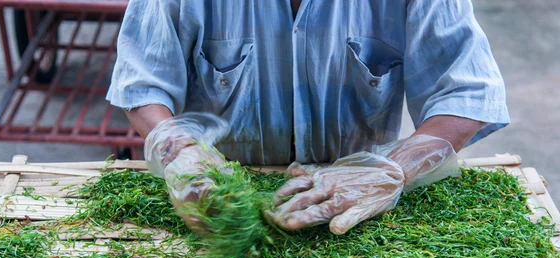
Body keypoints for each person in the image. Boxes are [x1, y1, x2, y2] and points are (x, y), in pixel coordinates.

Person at [107, 0, 509, 235]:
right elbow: (143, 82)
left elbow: (466, 91)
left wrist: (391, 170)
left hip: (356, 199)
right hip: (226, 198)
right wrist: (181, 151)